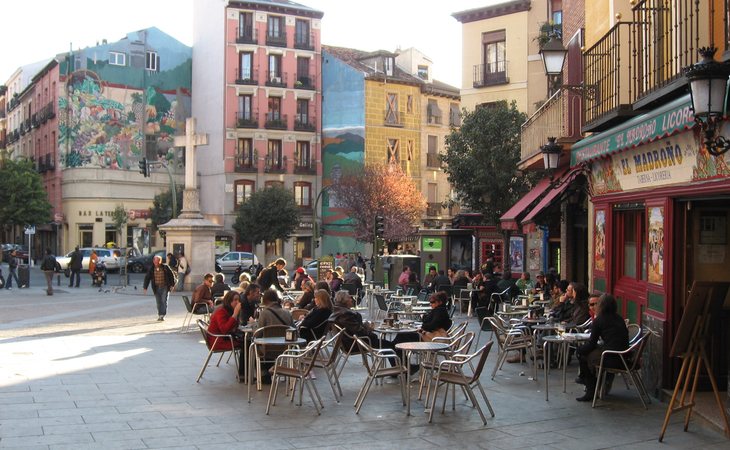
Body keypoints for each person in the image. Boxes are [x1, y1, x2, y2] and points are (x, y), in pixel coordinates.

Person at [575, 294, 629, 402]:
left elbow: (591, 343)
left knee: (582, 355)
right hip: (624, 356)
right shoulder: (619, 318)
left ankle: (590, 387)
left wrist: (579, 350)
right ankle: (591, 382)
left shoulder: (599, 320)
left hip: (611, 358)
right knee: (588, 354)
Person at [143, 255, 176, 321]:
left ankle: (162, 315)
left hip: (165, 287)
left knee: (164, 301)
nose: (156, 263)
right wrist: (145, 287)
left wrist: (172, 285)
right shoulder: (151, 268)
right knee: (158, 302)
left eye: (157, 262)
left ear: (160, 261)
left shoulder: (165, 267)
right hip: (156, 287)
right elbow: (147, 278)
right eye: (155, 262)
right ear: (153, 261)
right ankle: (160, 313)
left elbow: (171, 276)